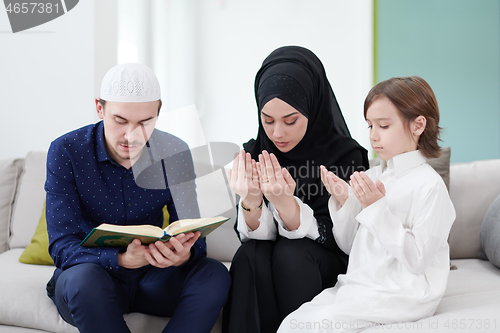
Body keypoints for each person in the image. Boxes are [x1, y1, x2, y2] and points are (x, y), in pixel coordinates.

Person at [45, 63, 230, 333]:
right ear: (99, 108)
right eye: (120, 121)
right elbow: (61, 246)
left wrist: (180, 255)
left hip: (154, 279)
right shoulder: (66, 151)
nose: (131, 136)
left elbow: (192, 235)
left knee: (214, 274)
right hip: (93, 280)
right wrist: (120, 259)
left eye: (145, 123)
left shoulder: (175, 151)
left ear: (158, 112)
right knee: (84, 281)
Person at [277, 76, 456, 332]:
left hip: (405, 293)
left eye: (383, 126)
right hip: (362, 285)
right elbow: (350, 246)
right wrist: (345, 202)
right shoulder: (374, 177)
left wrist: (376, 208)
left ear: (418, 125)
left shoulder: (430, 186)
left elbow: (417, 260)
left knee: (308, 327)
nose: (373, 136)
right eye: (370, 126)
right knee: (291, 323)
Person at [222, 46, 369, 333]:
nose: (277, 133)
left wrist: (287, 207)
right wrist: (251, 201)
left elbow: (345, 239)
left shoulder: (347, 156)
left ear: (312, 109)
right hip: (276, 260)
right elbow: (252, 237)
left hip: (320, 261)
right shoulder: (253, 153)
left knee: (292, 253)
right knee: (250, 255)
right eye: (268, 120)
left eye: (290, 121)